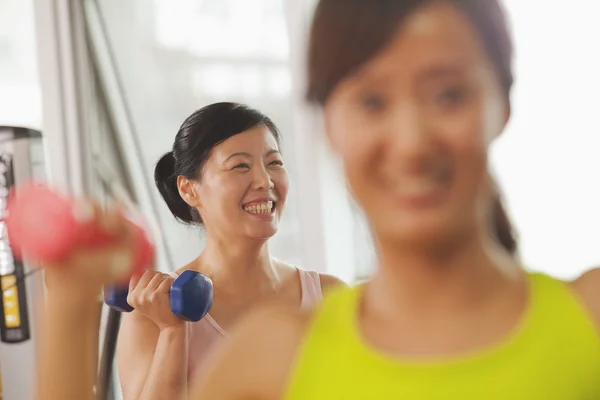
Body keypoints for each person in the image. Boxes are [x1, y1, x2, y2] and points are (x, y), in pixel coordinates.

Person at [186, 0, 600, 398]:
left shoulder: (590, 321)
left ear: (504, 104)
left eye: (449, 96)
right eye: (372, 102)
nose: (412, 144)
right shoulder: (265, 364)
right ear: (329, 124)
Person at [115, 102, 345, 399]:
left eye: (274, 162)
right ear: (189, 190)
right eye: (240, 166)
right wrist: (173, 332)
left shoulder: (330, 297)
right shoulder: (154, 312)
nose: (265, 181)